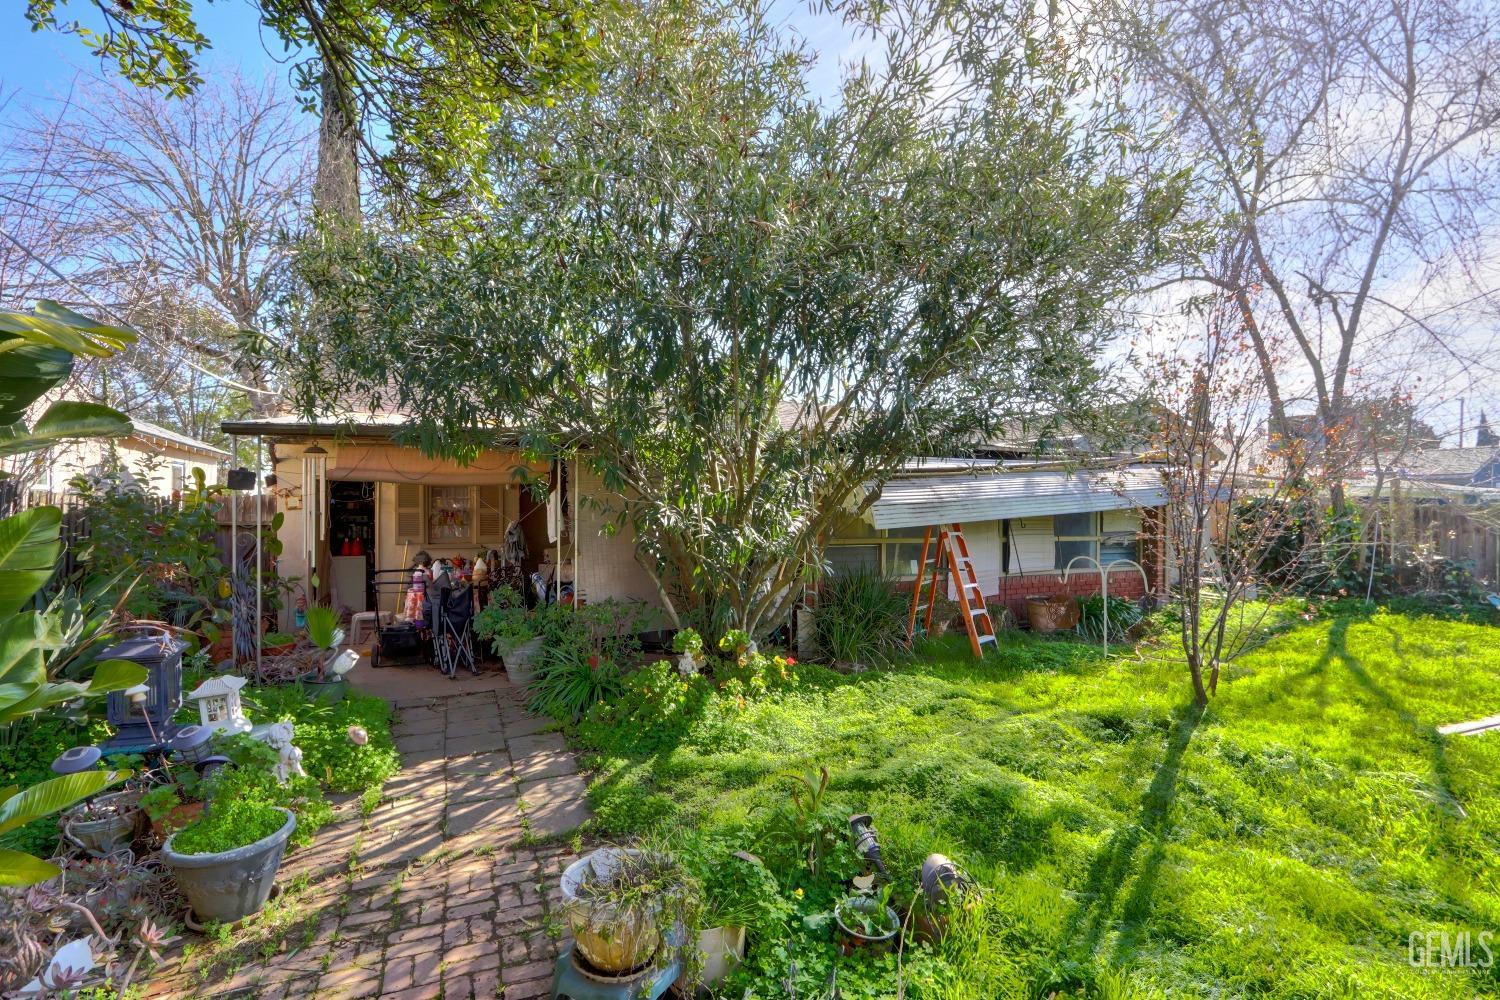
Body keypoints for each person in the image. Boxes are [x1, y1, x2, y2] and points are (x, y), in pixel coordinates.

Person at [403, 551, 432, 621]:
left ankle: (417, 625)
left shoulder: (416, 572)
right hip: (424, 597)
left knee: (417, 616)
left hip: (417, 597)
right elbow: (430, 585)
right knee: (420, 615)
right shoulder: (428, 572)